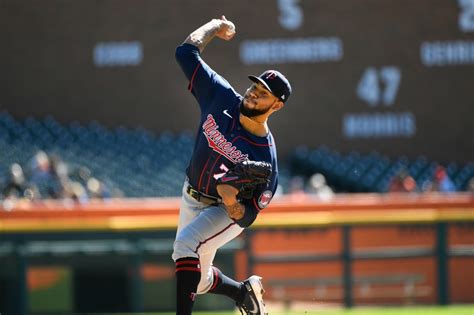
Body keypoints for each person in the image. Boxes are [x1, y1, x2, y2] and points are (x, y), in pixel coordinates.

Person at [173, 15, 291, 315]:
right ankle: (242, 293)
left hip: (223, 211)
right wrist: (214, 26)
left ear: (276, 105)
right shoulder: (220, 96)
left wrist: (232, 201)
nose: (253, 93)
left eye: (263, 93)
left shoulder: (265, 157)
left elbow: (248, 216)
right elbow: (185, 52)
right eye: (255, 86)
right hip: (191, 193)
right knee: (196, 280)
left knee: (185, 246)